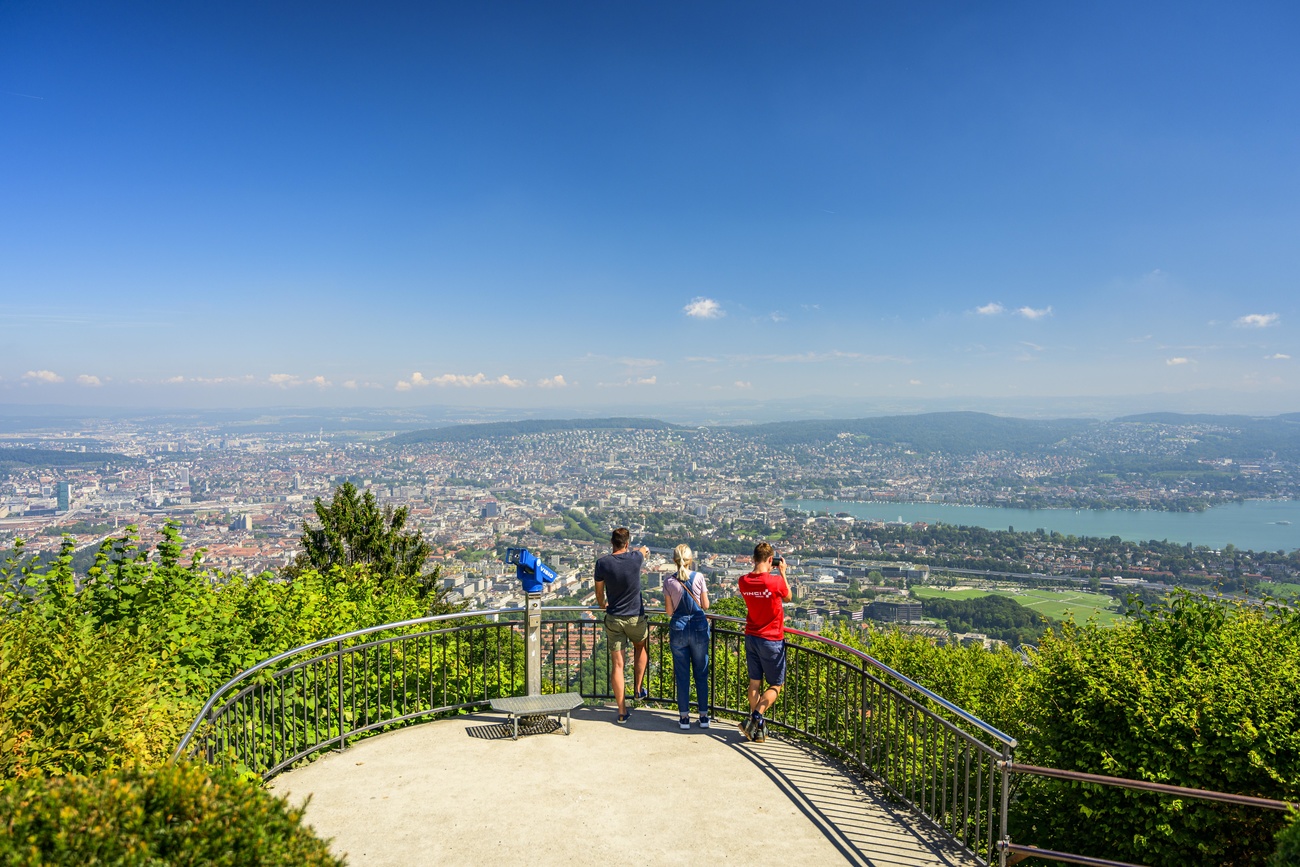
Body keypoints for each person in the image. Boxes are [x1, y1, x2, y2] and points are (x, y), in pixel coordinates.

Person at [737, 541, 791, 743]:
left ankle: (756, 730)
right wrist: (782, 572)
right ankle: (757, 715)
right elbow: (788, 596)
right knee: (776, 684)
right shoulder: (775, 582)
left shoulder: (743, 581)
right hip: (771, 639)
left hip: (751, 636)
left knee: (754, 683)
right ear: (771, 560)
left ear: (753, 559)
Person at [594, 527, 650, 723]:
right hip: (635, 616)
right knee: (640, 647)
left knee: (618, 665)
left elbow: (600, 594)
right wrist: (643, 550)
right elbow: (643, 551)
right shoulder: (635, 558)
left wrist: (603, 605)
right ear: (627, 543)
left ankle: (621, 710)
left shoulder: (603, 563)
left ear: (611, 542)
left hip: (614, 617)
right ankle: (637, 689)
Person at [664, 544, 710, 730]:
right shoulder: (698, 577)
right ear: (691, 560)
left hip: (679, 628)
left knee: (682, 675)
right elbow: (705, 605)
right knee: (701, 673)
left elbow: (669, 612)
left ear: (674, 561)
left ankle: (684, 717)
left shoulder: (668, 581)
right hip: (699, 628)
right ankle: (704, 716)